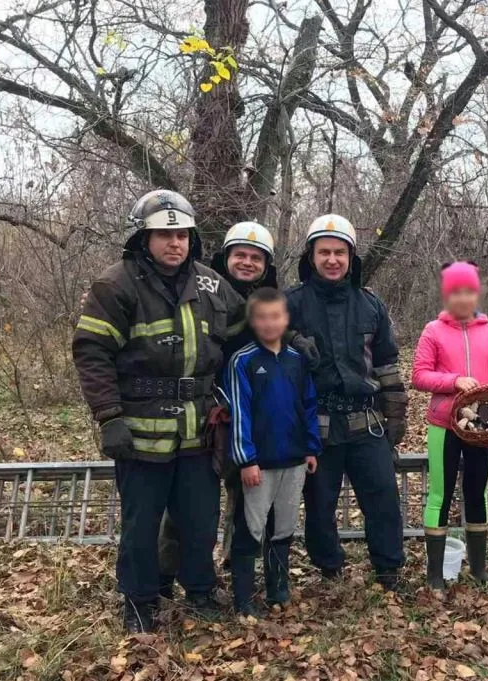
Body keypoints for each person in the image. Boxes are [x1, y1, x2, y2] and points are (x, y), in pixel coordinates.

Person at [72, 190, 245, 632]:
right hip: (139, 431)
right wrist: (109, 416)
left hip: (198, 430)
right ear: (142, 237)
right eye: (165, 234)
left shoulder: (211, 283)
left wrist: (288, 339)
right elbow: (92, 351)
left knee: (199, 519)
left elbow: (247, 330)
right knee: (141, 525)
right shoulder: (115, 285)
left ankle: (201, 591)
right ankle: (138, 602)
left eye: (182, 234)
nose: (175, 243)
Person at [156, 222, 295, 600]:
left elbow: (282, 342)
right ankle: (164, 574)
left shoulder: (273, 303)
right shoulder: (200, 292)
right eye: (240, 256)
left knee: (248, 498)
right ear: (225, 258)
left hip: (254, 418)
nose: (247, 263)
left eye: (256, 258)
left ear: (266, 265)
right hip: (205, 411)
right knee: (187, 501)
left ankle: (239, 570)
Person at [286, 214, 408, 591]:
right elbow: (266, 344)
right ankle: (329, 567)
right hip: (315, 424)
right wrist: (292, 339)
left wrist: (395, 416)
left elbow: (387, 363)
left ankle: (388, 569)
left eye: (340, 252)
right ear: (311, 255)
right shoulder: (291, 302)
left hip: (365, 422)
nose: (333, 260)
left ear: (351, 257)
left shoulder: (370, 304)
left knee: (383, 497)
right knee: (319, 504)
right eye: (325, 252)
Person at [412, 261, 488, 590]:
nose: (462, 298)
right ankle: (434, 575)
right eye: (455, 291)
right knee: (439, 496)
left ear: (476, 293)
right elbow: (419, 376)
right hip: (444, 424)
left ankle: (479, 569)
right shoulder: (433, 331)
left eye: (468, 291)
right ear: (446, 294)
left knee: (477, 494)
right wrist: (454, 381)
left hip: (484, 428)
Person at [221, 287, 321, 615]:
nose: (269, 323)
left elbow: (308, 405)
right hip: (258, 465)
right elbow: (239, 414)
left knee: (283, 527)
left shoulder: (296, 361)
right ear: (253, 320)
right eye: (262, 317)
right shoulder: (243, 361)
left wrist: (310, 447)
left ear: (285, 319)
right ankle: (244, 599)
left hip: (293, 460)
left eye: (275, 316)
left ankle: (278, 588)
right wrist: (246, 459)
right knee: (251, 528)